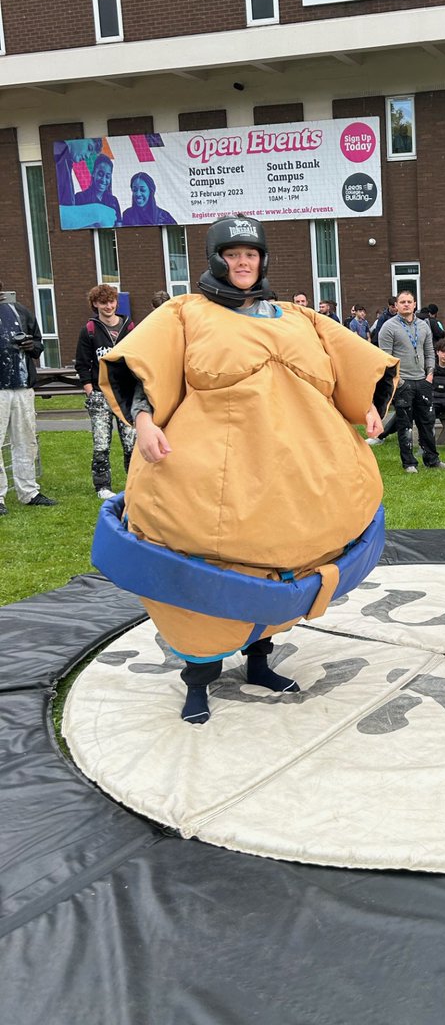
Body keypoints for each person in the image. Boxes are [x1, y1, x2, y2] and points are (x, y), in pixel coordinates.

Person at [98, 215, 398, 724]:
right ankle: (198, 682)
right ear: (216, 259)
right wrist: (145, 422)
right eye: (233, 254)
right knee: (213, 567)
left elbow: (350, 363)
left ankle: (259, 663)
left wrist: (366, 403)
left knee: (284, 560)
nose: (242, 263)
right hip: (214, 473)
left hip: (291, 472)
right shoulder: (186, 312)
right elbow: (147, 368)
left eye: (250, 255)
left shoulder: (296, 317)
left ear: (262, 260)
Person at [74, 285, 137, 501]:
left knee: (131, 442)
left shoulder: (129, 326)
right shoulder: (89, 330)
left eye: (111, 302)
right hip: (100, 394)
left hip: (125, 393)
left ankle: (135, 483)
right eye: (103, 303)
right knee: (101, 442)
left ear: (116, 302)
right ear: (95, 304)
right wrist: (90, 391)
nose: (108, 306)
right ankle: (102, 486)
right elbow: (82, 364)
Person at [0, 282, 57, 515]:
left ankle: (29, 491)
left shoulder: (19, 311)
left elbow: (38, 344)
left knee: (25, 440)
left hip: (23, 386)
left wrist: (31, 345)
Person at [378, 290, 445, 474]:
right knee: (405, 425)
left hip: (423, 381)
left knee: (427, 422)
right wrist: (399, 381)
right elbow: (385, 359)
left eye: (409, 301)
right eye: (402, 301)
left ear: (415, 304)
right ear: (396, 305)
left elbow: (429, 352)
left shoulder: (423, 326)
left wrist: (430, 374)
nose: (406, 304)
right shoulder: (388, 327)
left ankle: (432, 459)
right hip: (403, 383)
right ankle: (409, 463)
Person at [72, 154, 121, 227]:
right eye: (100, 174)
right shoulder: (79, 198)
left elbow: (118, 228)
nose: (103, 180)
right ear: (93, 173)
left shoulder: (114, 201)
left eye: (107, 176)